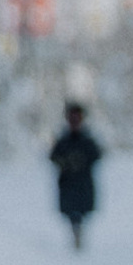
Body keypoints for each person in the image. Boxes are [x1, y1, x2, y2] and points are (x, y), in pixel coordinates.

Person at [49, 102, 103, 252]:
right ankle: (75, 237)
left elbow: (96, 156)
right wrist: (66, 163)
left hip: (83, 184)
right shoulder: (63, 140)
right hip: (68, 184)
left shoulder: (87, 140)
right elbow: (54, 157)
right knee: (72, 213)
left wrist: (80, 161)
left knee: (81, 212)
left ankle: (79, 237)